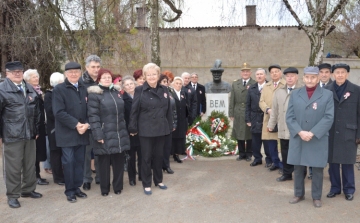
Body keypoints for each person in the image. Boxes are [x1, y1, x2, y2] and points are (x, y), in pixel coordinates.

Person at [286, 66, 334, 208]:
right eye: (307, 77)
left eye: (313, 77)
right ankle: (298, 193)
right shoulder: (295, 94)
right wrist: (300, 132)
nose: (310, 79)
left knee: (318, 168)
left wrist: (312, 133)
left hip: (317, 138)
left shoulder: (327, 95)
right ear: (303, 78)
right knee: (298, 167)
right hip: (299, 137)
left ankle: (316, 197)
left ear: (318, 78)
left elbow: (328, 117)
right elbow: (289, 117)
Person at [0, 61, 43, 208]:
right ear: (7, 74)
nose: (17, 74)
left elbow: (37, 112)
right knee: (13, 167)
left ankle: (28, 189)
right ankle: (12, 195)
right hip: (12, 135)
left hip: (30, 134)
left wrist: (36, 130)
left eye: (19, 71)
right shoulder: (2, 89)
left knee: (29, 164)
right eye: (13, 72)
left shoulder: (29, 88)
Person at [129, 63, 172, 195]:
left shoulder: (164, 89)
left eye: (154, 74)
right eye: (149, 74)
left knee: (159, 156)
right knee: (146, 157)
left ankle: (158, 180)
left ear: (158, 75)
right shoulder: (140, 90)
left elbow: (168, 110)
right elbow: (134, 110)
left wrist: (169, 126)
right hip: (146, 129)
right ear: (145, 76)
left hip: (161, 128)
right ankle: (146, 183)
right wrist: (133, 127)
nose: (152, 77)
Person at [87, 68, 130, 196]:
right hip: (104, 133)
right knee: (104, 163)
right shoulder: (94, 94)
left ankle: (118, 187)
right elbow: (93, 117)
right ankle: (104, 188)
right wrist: (98, 134)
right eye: (104, 77)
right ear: (99, 79)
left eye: (109, 77)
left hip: (119, 132)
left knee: (118, 162)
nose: (107, 79)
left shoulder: (117, 92)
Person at [53, 61, 89, 203]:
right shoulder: (59, 89)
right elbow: (58, 112)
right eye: (70, 72)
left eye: (76, 71)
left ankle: (77, 187)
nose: (74, 74)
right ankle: (69, 191)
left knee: (80, 162)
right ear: (66, 74)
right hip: (67, 133)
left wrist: (86, 124)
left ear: (80, 73)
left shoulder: (84, 88)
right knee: (68, 162)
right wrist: (76, 124)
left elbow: (90, 109)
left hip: (83, 132)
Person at [325, 63, 360, 201]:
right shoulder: (327, 90)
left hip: (349, 132)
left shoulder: (356, 90)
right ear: (333, 74)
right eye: (337, 72)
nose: (340, 75)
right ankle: (335, 188)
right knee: (332, 162)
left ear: (347, 74)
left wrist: (359, 135)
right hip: (331, 132)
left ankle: (349, 189)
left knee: (347, 162)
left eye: (343, 72)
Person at [268, 67, 301, 182]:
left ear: (297, 77)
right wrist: (271, 124)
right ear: (285, 77)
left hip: (297, 129)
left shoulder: (301, 91)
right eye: (288, 76)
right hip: (283, 127)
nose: (290, 78)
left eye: (292, 76)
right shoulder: (279, 92)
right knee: (285, 152)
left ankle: (300, 174)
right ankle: (287, 174)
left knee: (298, 152)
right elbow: (275, 110)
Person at [23, 69, 49, 185]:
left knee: (38, 153)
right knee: (33, 154)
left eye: (37, 76)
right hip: (34, 128)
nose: (36, 78)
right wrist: (36, 129)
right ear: (27, 79)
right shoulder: (28, 92)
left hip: (40, 126)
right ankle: (34, 176)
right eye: (33, 77)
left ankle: (37, 174)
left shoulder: (38, 91)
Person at [80, 55, 101, 190]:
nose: (96, 69)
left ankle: (100, 176)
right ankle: (86, 179)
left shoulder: (103, 80)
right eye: (93, 67)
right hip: (86, 124)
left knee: (100, 152)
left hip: (100, 123)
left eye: (98, 67)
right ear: (87, 67)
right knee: (86, 154)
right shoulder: (81, 83)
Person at [259, 64, 285, 172]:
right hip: (269, 117)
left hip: (282, 118)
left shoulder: (285, 84)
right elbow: (261, 101)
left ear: (280, 73)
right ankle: (275, 162)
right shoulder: (266, 86)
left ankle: (284, 165)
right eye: (272, 72)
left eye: (276, 71)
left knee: (283, 142)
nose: (274, 73)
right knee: (271, 142)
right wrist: (267, 109)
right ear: (270, 74)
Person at [230, 63, 256, 161]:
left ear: (250, 73)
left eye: (247, 71)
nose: (245, 73)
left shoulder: (254, 83)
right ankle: (241, 153)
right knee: (239, 131)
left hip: (249, 110)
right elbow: (232, 98)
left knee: (249, 133)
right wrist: (231, 113)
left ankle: (249, 153)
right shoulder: (235, 83)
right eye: (243, 71)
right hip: (237, 111)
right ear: (241, 73)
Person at [44, 72, 65, 185]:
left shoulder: (63, 93)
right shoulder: (49, 95)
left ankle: (65, 175)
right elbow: (51, 112)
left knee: (64, 153)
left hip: (64, 128)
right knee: (55, 153)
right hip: (54, 129)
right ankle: (58, 178)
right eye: (61, 82)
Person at [245, 68, 269, 167]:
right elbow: (248, 105)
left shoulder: (269, 87)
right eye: (257, 74)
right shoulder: (252, 88)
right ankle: (257, 158)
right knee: (255, 140)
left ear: (265, 76)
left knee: (267, 140)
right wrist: (248, 119)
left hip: (266, 116)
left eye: (261, 74)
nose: (259, 76)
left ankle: (269, 160)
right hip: (254, 117)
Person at [122, 75, 142, 185]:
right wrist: (130, 129)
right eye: (127, 85)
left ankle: (142, 176)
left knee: (142, 154)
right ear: (123, 88)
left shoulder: (141, 96)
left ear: (135, 84)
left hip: (142, 130)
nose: (130, 86)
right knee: (131, 156)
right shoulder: (123, 99)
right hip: (129, 132)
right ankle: (132, 178)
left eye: (131, 84)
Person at [158, 74, 177, 173]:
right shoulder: (156, 93)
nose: (166, 83)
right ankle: (157, 166)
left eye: (166, 82)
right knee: (158, 147)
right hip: (158, 125)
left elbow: (174, 110)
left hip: (168, 124)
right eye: (163, 82)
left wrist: (174, 123)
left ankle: (166, 165)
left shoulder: (169, 92)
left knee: (167, 146)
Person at [170, 76, 188, 164]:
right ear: (173, 84)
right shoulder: (170, 94)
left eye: (180, 83)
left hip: (182, 119)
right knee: (174, 137)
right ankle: (172, 153)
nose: (178, 85)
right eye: (176, 83)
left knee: (180, 137)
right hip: (174, 119)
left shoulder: (183, 93)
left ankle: (177, 153)